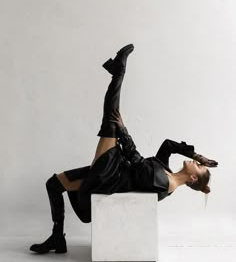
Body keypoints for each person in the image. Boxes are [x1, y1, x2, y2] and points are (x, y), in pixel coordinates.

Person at [29, 44, 218, 254]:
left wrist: (123, 130)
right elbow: (167, 145)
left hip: (110, 176)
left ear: (192, 179)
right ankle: (57, 238)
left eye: (198, 166)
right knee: (53, 184)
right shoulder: (166, 170)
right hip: (112, 171)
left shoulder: (165, 184)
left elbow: (137, 163)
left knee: (111, 118)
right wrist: (195, 154)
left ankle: (119, 70)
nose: (196, 164)